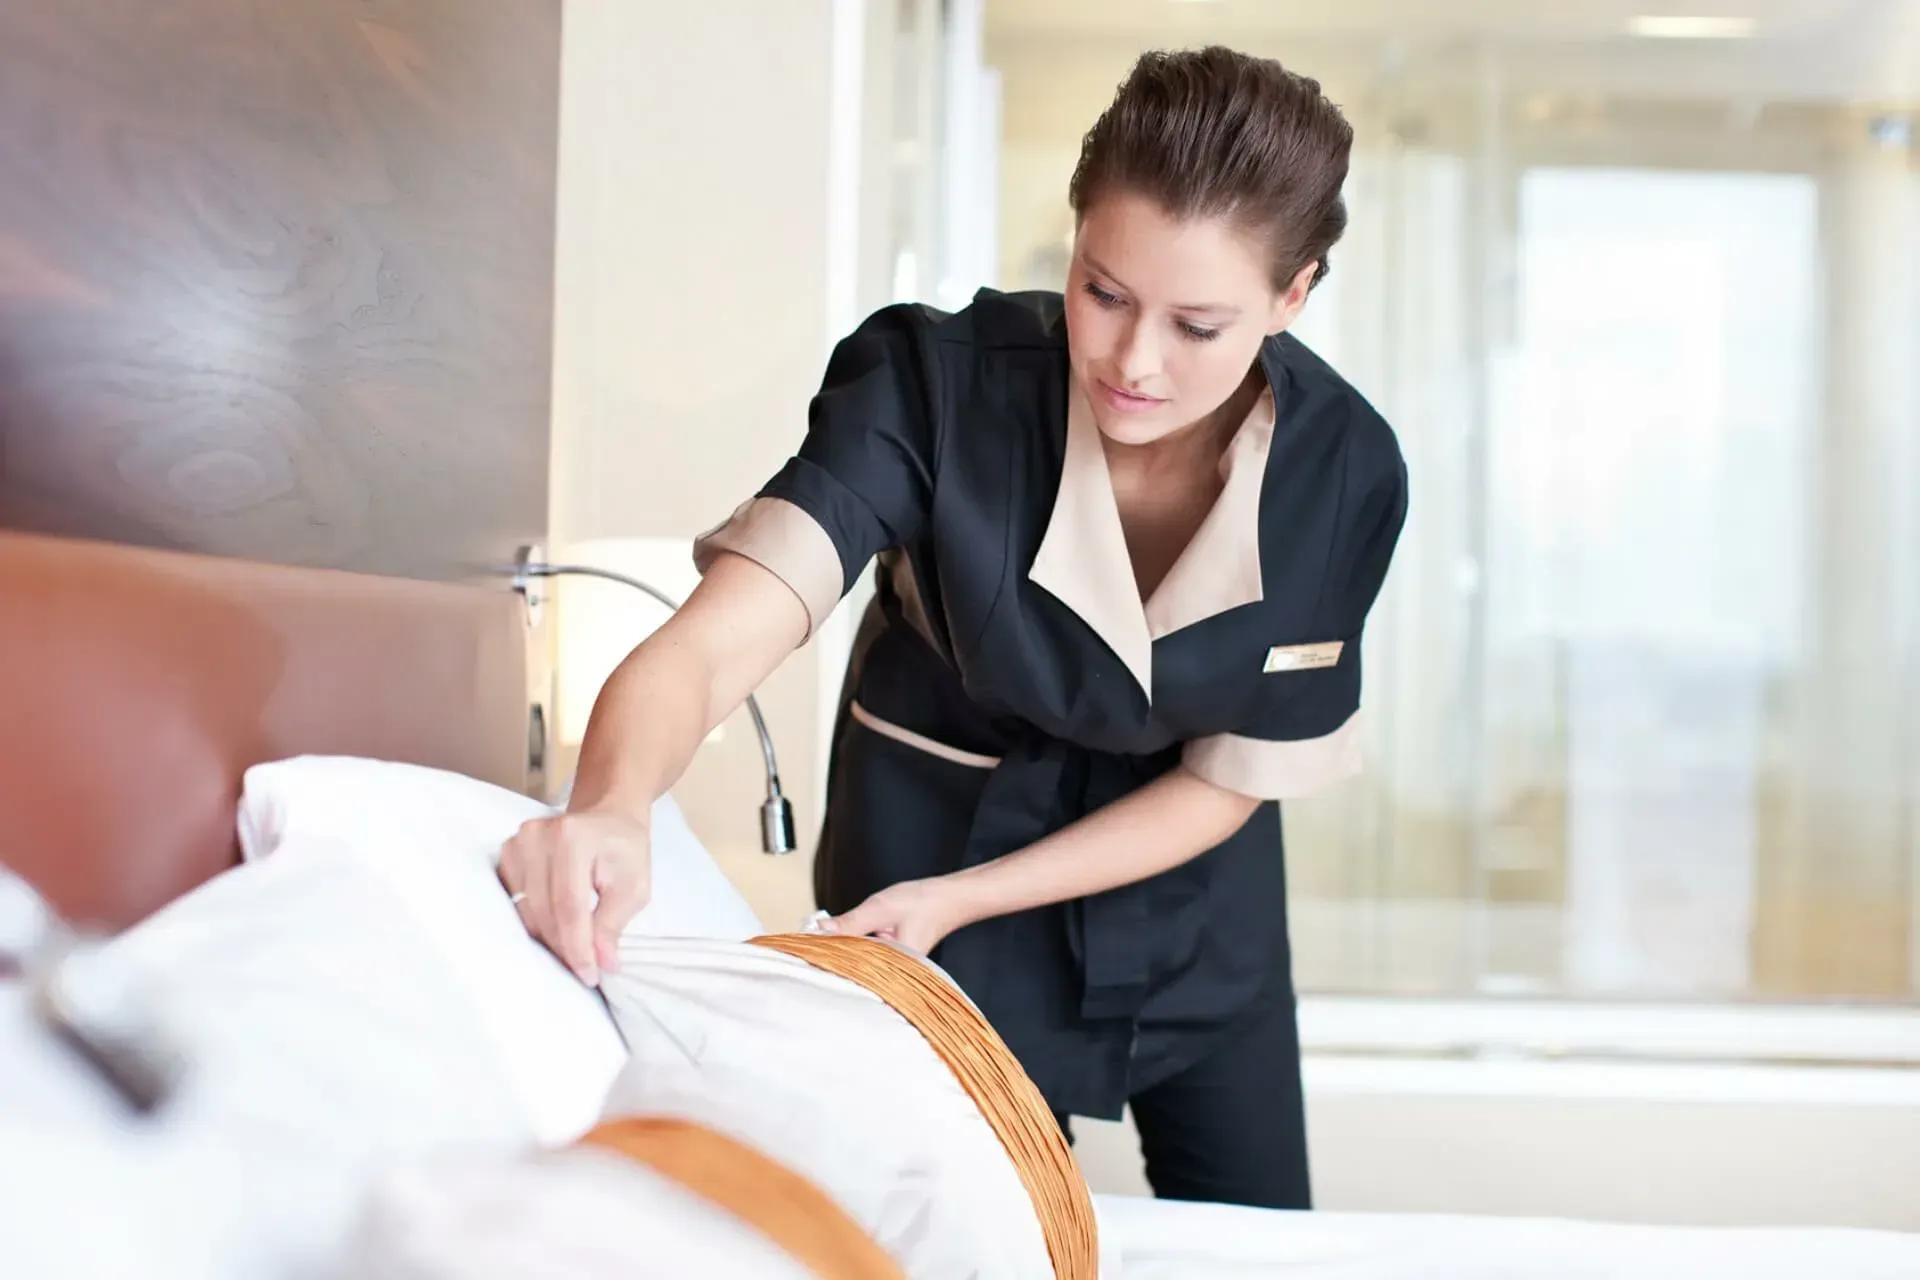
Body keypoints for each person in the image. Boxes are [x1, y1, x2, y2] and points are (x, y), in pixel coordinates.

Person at [501, 45, 1408, 1211]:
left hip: (1190, 896)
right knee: (965, 1223)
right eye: (1104, 291)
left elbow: (1228, 783)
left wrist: (976, 894)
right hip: (931, 856)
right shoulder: (932, 385)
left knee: (1255, 1221)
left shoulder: (1344, 474)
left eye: (1198, 324)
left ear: (1293, 297)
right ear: (1074, 238)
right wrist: (611, 804)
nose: (1132, 361)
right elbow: (724, 635)